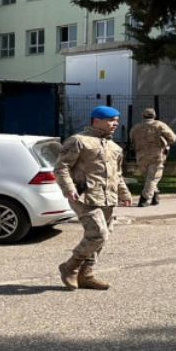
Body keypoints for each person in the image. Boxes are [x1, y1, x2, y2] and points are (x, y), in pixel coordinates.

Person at [54, 106, 133, 291]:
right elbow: (61, 167)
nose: (115, 124)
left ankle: (86, 274)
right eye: (111, 120)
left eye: (116, 120)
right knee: (98, 234)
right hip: (84, 196)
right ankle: (70, 267)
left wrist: (124, 192)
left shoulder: (114, 147)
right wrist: (69, 188)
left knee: (102, 238)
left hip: (108, 198)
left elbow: (117, 174)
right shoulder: (79, 140)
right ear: (96, 120)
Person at [129, 107, 176, 207]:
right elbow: (173, 138)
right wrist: (165, 141)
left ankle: (155, 197)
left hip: (140, 157)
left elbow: (131, 140)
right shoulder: (159, 125)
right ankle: (144, 199)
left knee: (149, 178)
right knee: (152, 178)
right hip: (156, 155)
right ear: (154, 115)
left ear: (143, 116)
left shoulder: (135, 128)